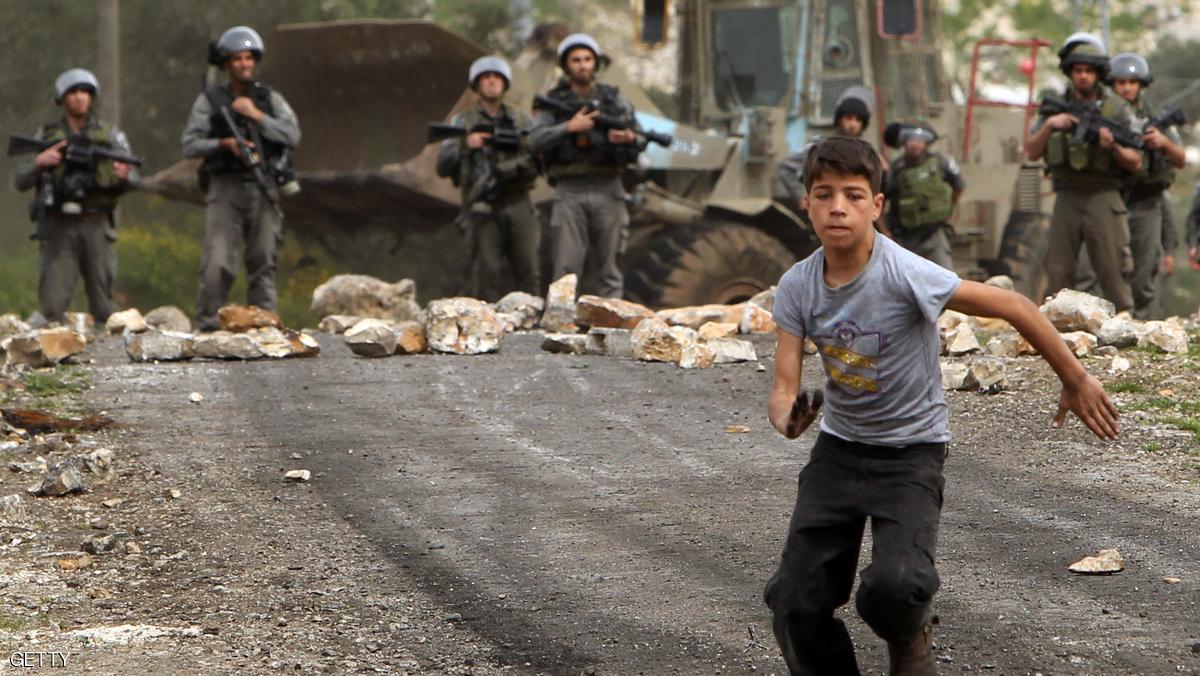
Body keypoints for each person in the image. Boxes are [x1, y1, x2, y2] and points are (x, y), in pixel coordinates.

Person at [762, 136, 1118, 675]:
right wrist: (788, 420)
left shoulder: (906, 273)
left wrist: (1075, 378)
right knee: (794, 602)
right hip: (838, 451)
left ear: (877, 205)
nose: (838, 207)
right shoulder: (797, 285)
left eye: (854, 196)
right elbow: (783, 387)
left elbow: (1016, 305)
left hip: (910, 455)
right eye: (824, 194)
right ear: (806, 204)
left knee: (895, 589)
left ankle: (911, 634)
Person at [182, 25, 301, 331]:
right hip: (226, 187)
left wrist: (257, 116)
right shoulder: (210, 100)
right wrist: (223, 144)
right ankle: (209, 325)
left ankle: (265, 327)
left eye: (249, 58)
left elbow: (292, 134)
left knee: (263, 260)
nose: (245, 64)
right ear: (227, 63)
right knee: (217, 262)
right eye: (238, 58)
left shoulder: (268, 99)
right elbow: (189, 144)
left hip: (263, 186)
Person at [1025, 33, 1141, 313]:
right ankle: (1056, 330)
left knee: (1113, 271)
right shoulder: (1055, 104)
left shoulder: (1116, 109)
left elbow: (1135, 160)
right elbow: (1031, 151)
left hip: (1103, 194)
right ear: (1070, 73)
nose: (1083, 77)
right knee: (1058, 270)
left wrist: (1112, 147)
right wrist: (1051, 125)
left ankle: (1125, 326)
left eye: (1089, 71)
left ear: (1098, 74)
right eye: (1078, 71)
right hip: (1067, 195)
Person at [14, 68, 138, 325]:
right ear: (62, 98)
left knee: (105, 308)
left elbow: (134, 178)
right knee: (51, 307)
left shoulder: (109, 136)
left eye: (85, 92)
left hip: (96, 223)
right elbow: (20, 180)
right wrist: (40, 161)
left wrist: (124, 175)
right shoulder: (47, 136)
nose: (80, 98)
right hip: (59, 226)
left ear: (92, 97)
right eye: (73, 92)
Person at [529, 33, 645, 298]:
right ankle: (562, 324)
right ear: (566, 66)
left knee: (611, 266)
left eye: (587, 59)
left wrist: (627, 138)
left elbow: (640, 135)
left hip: (609, 187)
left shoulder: (614, 100)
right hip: (570, 191)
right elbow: (534, 140)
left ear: (595, 63)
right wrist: (569, 127)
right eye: (576, 60)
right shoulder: (553, 102)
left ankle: (612, 322)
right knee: (566, 268)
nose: (582, 65)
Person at [436, 56, 541, 301]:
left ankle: (531, 325)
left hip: (517, 199)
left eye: (497, 77)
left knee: (528, 267)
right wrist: (466, 144)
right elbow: (442, 165)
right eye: (486, 77)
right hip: (482, 203)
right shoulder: (463, 121)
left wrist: (514, 165)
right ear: (477, 85)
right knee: (486, 271)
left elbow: (538, 157)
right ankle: (485, 325)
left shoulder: (520, 120)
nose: (492, 82)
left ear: (505, 84)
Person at [1107, 52, 1185, 318]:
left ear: (1141, 84)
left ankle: (1144, 330)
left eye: (1132, 82)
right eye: (1120, 82)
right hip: (1110, 200)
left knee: (1143, 277)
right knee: (1105, 273)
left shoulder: (1155, 119)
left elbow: (1180, 159)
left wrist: (1163, 142)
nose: (1127, 87)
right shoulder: (1107, 114)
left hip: (1145, 203)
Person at [778, 86, 879, 216]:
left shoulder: (867, 151)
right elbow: (785, 167)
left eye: (858, 120)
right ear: (840, 119)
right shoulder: (822, 147)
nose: (853, 124)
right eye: (848, 118)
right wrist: (802, 196)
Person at [883, 123, 965, 270]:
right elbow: (879, 200)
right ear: (903, 142)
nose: (915, 145)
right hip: (906, 237)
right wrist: (885, 233)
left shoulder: (940, 162)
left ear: (926, 143)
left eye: (919, 140)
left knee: (945, 278)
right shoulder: (895, 169)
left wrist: (948, 209)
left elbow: (959, 185)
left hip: (934, 233)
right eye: (910, 140)